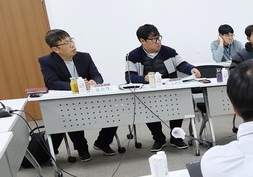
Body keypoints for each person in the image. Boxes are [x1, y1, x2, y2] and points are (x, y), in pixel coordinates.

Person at [38, 29, 119, 161]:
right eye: (66, 43)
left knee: (114, 111)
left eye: (71, 40)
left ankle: (102, 142)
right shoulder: (46, 61)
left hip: (90, 99)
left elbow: (97, 76)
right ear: (55, 49)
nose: (72, 45)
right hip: (66, 101)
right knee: (69, 115)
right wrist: (76, 86)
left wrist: (94, 82)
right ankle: (82, 148)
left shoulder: (84, 57)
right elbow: (52, 83)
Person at [125, 24, 201, 152]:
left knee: (180, 102)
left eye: (159, 38)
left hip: (170, 91)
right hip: (148, 93)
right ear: (142, 41)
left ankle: (175, 136)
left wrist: (192, 69)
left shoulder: (169, 52)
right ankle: (158, 138)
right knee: (147, 108)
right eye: (154, 39)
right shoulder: (133, 56)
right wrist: (145, 78)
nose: (158, 42)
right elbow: (129, 77)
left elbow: (182, 64)